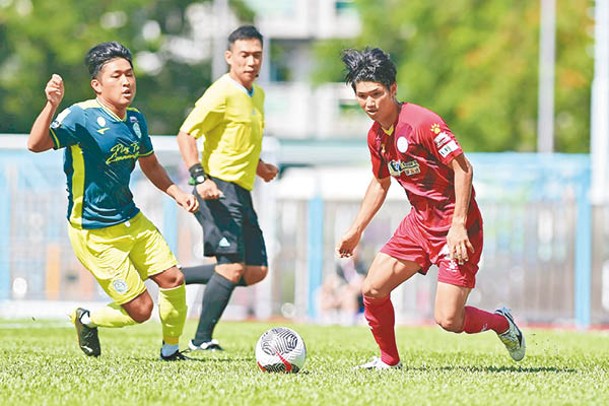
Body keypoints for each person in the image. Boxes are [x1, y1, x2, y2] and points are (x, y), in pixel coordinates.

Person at [336, 47, 525, 370]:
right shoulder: (375, 136)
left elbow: (463, 169)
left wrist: (458, 224)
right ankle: (388, 360)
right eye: (362, 95)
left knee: (448, 319)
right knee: (372, 289)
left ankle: (501, 323)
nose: (369, 103)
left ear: (393, 89)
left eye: (377, 94)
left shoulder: (423, 123)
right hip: (419, 225)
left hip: (457, 227)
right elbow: (380, 182)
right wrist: (356, 230)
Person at [27, 41, 199, 361]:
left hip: (131, 219)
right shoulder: (80, 116)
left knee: (173, 279)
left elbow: (150, 164)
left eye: (130, 74)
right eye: (117, 75)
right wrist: (51, 105)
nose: (126, 82)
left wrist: (178, 193)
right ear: (97, 84)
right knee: (141, 310)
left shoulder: (135, 119)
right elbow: (35, 144)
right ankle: (86, 319)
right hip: (94, 231)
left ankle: (171, 350)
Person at [176, 25, 278, 352]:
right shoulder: (221, 92)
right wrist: (199, 178)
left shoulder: (256, 95)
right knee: (232, 267)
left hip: (242, 189)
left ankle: (174, 276)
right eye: (244, 55)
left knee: (255, 270)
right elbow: (186, 134)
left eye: (257, 55)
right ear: (229, 57)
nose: (251, 61)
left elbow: (239, 140)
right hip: (217, 188)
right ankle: (201, 340)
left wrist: (260, 167)